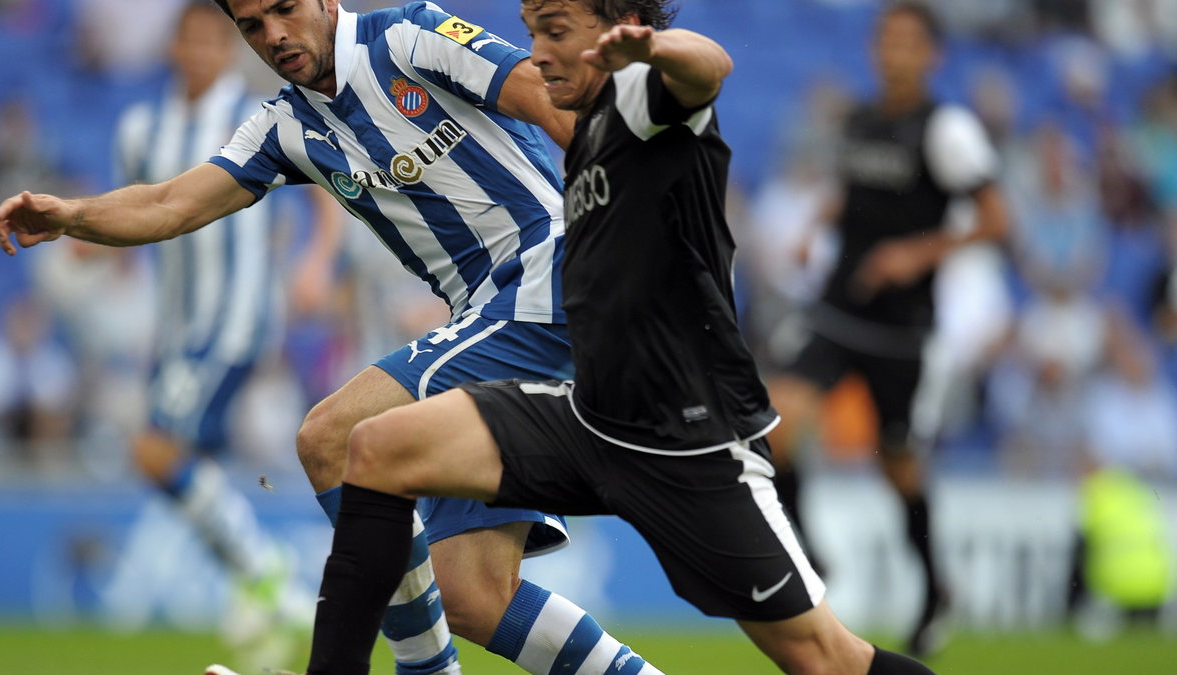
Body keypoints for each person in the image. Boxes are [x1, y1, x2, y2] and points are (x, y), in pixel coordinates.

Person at [264, 1, 938, 673]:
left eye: (554, 33)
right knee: (376, 444)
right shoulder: (581, 139)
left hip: (690, 439)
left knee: (827, 659)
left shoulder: (644, 101)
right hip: (589, 420)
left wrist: (651, 50)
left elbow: (711, 67)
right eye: (532, 33)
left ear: (613, 30)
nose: (536, 52)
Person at [0, 1, 661, 674]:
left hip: (558, 273)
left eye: (285, 9)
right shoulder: (285, 125)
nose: (275, 35)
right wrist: (73, 214)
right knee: (471, 594)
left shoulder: (410, 35)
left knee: (332, 436)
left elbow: (551, 104)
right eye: (253, 25)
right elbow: (171, 203)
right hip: (486, 318)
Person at [764, 1, 1010, 657]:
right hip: (839, 311)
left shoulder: (946, 129)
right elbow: (858, 191)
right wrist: (819, 221)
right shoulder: (862, 119)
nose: (892, 52)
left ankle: (935, 588)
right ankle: (811, 553)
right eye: (885, 39)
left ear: (932, 55)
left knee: (896, 465)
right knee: (777, 420)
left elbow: (995, 219)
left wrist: (914, 254)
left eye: (906, 42)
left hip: (902, 331)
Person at [114, 4, 326, 653]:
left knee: (154, 449)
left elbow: (323, 190)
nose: (203, 52)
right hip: (176, 326)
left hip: (235, 319)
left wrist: (314, 260)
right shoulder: (141, 128)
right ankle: (259, 599)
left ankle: (262, 571)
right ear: (175, 47)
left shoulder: (258, 114)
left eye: (215, 40)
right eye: (192, 41)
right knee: (178, 462)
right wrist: (77, 235)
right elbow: (140, 209)